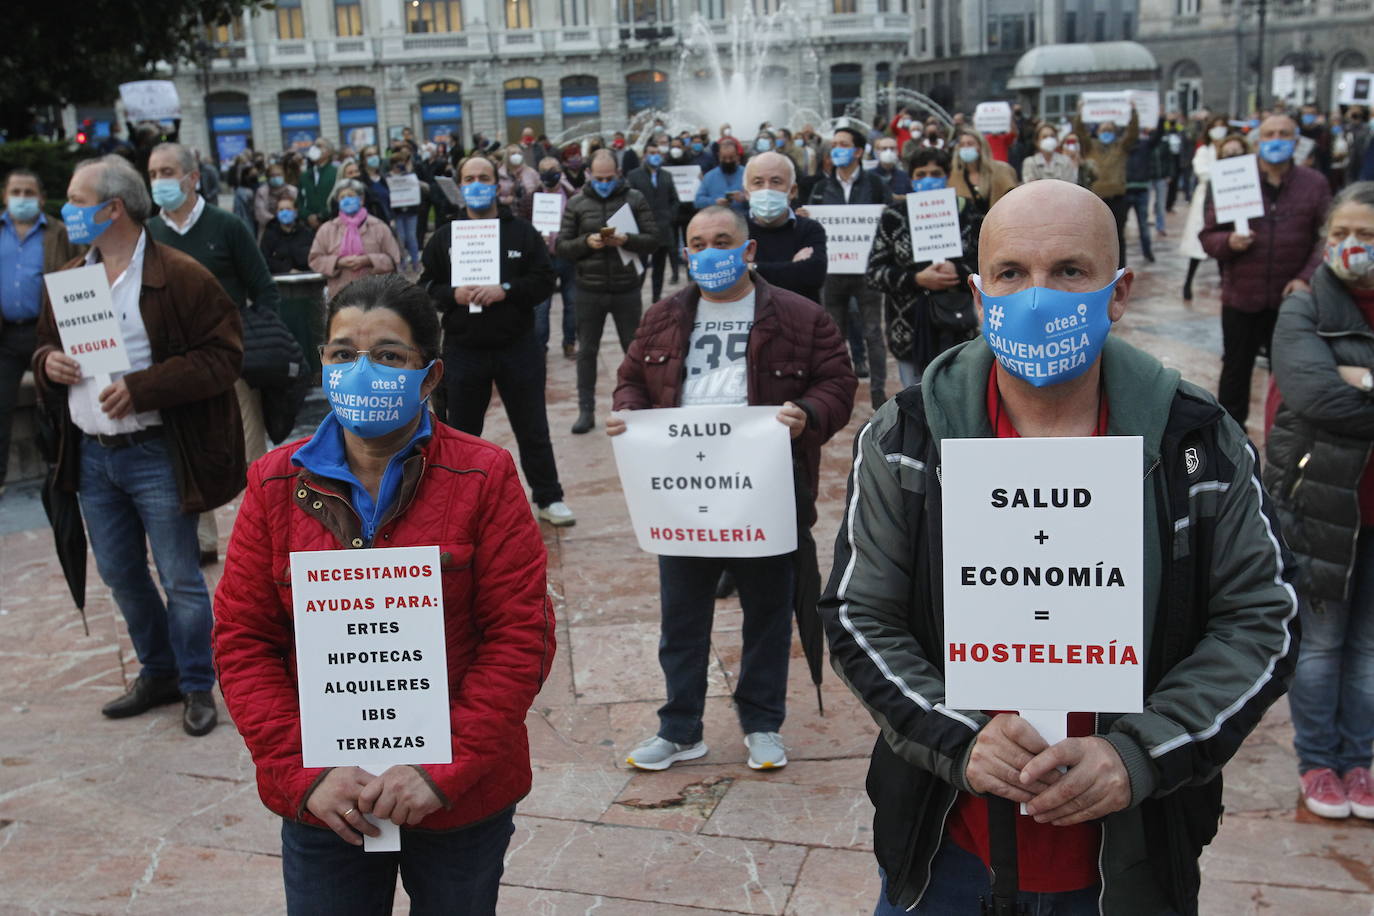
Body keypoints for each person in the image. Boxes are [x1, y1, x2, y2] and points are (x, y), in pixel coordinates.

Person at [823, 178, 1299, 915]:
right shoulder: (906, 437)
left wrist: (1139, 753)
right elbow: (860, 615)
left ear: (1118, 292)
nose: (1038, 298)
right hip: (948, 847)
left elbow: (1260, 618)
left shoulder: (1196, 441)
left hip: (1130, 857)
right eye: (1012, 274)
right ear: (980, 297)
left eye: (1070, 272)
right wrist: (961, 740)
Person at [213, 274, 552, 914]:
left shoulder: (483, 476)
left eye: (389, 357)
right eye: (342, 354)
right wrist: (304, 775)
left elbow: (520, 638)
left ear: (428, 378)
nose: (361, 372)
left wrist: (440, 771)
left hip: (460, 800)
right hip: (328, 802)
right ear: (323, 364)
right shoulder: (273, 484)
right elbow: (243, 640)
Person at [612, 205, 855, 772]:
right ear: (686, 252)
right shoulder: (663, 316)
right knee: (682, 617)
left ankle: (763, 725)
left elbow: (838, 381)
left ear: (748, 251)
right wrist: (627, 414)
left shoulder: (800, 316)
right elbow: (631, 380)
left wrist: (810, 413)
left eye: (722, 241)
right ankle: (679, 728)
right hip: (682, 492)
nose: (709, 253)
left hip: (766, 490)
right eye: (697, 243)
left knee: (768, 613)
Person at [33, 155, 245, 737]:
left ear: (113, 208)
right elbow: (46, 348)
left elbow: (224, 356)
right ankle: (159, 672)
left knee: (180, 575)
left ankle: (198, 685)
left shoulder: (179, 275)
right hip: (94, 456)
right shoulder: (74, 277)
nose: (67, 212)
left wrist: (144, 387)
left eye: (77, 201)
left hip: (157, 452)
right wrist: (48, 363)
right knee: (122, 574)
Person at [1266, 181, 1374, 821]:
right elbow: (1314, 396)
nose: (1352, 247)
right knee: (1324, 643)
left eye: (1367, 235)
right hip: (1321, 502)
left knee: (1368, 648)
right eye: (1341, 234)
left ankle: (1360, 761)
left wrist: (1360, 378)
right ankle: (1318, 762)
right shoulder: (1303, 306)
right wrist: (1343, 383)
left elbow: (1343, 397)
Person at [419, 154, 575, 527]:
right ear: (460, 183)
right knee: (460, 433)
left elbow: (543, 279)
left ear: (497, 183)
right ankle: (456, 503)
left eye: (484, 177)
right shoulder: (445, 237)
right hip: (464, 347)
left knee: (532, 426)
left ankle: (549, 497)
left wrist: (506, 289)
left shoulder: (520, 232)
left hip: (517, 344)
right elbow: (426, 286)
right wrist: (452, 295)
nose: (477, 184)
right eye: (469, 177)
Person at [145, 142, 282, 564]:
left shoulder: (226, 226)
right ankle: (203, 540)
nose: (160, 181)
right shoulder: (148, 233)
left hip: (230, 359)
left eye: (168, 171)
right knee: (186, 448)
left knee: (248, 448)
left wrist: (253, 340)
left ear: (192, 177)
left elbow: (264, 290)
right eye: (152, 174)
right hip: (173, 364)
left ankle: (261, 540)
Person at [1201, 114, 1331, 427]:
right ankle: (1230, 440)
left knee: (1288, 372)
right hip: (1242, 296)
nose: (1276, 139)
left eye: (1284, 134)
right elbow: (1208, 237)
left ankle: (1284, 434)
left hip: (1292, 299)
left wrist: (1305, 278)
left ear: (1296, 141)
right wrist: (1229, 241)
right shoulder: (1235, 179)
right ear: (1258, 141)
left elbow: (1326, 238)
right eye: (1270, 133)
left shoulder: (1314, 184)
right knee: (1235, 370)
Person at [555, 149, 659, 435]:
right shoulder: (576, 203)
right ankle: (585, 410)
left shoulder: (634, 199)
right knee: (587, 350)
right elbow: (562, 247)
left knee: (634, 351)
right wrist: (587, 242)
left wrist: (628, 239)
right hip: (589, 288)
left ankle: (642, 407)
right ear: (590, 175)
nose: (604, 182)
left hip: (626, 288)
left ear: (618, 174)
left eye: (609, 177)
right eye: (599, 178)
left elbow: (653, 239)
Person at [866, 148, 979, 386]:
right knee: (917, 403)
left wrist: (959, 272)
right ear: (911, 178)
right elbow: (874, 274)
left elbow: (987, 265)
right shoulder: (894, 217)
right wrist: (916, 279)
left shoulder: (969, 214)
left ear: (947, 176)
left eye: (935, 172)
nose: (928, 179)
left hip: (959, 326)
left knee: (961, 394)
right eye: (921, 174)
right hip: (909, 331)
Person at [0, 169, 81, 494]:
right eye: (16, 192)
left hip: (46, 332)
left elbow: (78, 271)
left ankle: (64, 469)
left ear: (42, 198)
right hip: (5, 334)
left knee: (56, 401)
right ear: (5, 196)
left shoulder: (58, 233)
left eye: (28, 192)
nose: (22, 198)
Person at [810, 125, 893, 408]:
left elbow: (890, 220)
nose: (836, 149)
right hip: (832, 274)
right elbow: (813, 226)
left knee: (872, 332)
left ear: (858, 151)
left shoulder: (876, 185)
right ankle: (837, 390)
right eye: (834, 144)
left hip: (867, 271)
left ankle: (878, 393)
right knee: (834, 335)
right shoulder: (821, 188)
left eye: (843, 144)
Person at [743, 151, 828, 305]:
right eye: (758, 182)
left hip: (800, 320)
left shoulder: (810, 229)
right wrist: (793, 268)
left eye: (776, 182)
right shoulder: (735, 229)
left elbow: (813, 276)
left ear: (793, 191)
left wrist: (752, 268)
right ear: (746, 192)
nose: (767, 189)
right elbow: (729, 278)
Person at [1074, 103, 1140, 267]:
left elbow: (1132, 134)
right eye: (1104, 130)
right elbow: (1079, 133)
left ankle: (1120, 268)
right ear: (1097, 132)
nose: (1106, 133)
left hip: (1117, 198)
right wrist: (1079, 114)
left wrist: (1133, 112)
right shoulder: (1091, 147)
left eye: (1109, 130)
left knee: (1118, 236)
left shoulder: (1120, 147)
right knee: (1094, 235)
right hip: (1096, 198)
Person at [309, 180, 402, 298]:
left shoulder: (379, 227)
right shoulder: (327, 229)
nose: (347, 200)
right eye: (342, 197)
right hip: (340, 295)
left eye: (351, 196)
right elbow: (315, 260)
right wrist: (338, 262)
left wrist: (368, 260)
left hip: (375, 295)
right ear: (338, 201)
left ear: (361, 199)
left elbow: (394, 259)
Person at [1180, 115, 1232, 301]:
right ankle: (1188, 283)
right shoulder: (1204, 150)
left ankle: (1226, 283)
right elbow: (1202, 172)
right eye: (1215, 126)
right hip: (1206, 198)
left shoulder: (1230, 149)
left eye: (1222, 126)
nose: (1219, 130)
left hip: (1227, 197)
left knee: (1224, 242)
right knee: (1199, 242)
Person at [534, 157, 579, 359]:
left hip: (568, 256)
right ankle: (540, 347)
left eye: (553, 169)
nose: (549, 173)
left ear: (560, 171)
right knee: (542, 307)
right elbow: (523, 224)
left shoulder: (572, 195)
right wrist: (536, 238)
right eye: (544, 170)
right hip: (543, 260)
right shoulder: (532, 197)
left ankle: (569, 343)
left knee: (572, 303)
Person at [627, 141, 682, 302]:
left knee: (659, 268)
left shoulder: (666, 175)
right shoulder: (634, 175)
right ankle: (635, 300)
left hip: (663, 230)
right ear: (644, 155)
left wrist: (670, 216)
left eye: (657, 152)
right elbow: (628, 201)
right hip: (642, 231)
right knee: (641, 268)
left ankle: (656, 299)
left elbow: (674, 200)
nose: (655, 155)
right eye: (651, 152)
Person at [949, 127, 1018, 217]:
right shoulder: (954, 176)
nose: (965, 148)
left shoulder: (1002, 169)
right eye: (962, 145)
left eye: (970, 144)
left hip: (1000, 223)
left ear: (981, 146)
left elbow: (1014, 199)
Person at [1124, 126, 1164, 263]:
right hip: (1124, 190)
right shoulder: (1121, 147)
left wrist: (1161, 119)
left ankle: (1147, 252)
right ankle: (1119, 258)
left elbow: (1158, 136)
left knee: (1143, 225)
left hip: (1141, 189)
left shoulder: (1144, 145)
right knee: (1119, 227)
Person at [387, 150, 426, 272]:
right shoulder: (388, 177)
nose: (399, 165)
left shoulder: (409, 176)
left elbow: (422, 187)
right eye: (396, 163)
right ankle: (402, 262)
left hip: (411, 211)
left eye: (401, 162)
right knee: (401, 237)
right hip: (397, 212)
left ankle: (415, 262)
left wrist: (409, 173)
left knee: (411, 237)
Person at [259, 195, 314, 274]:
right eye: (281, 210)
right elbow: (264, 260)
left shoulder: (306, 233)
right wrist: (286, 269)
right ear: (277, 213)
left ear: (295, 211)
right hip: (279, 281)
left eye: (288, 209)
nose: (284, 212)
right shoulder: (269, 235)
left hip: (305, 279)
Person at [297, 139, 338, 230]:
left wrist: (321, 216)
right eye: (314, 146)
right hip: (308, 227)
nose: (314, 148)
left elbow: (338, 200)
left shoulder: (336, 173)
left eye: (319, 146)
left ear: (329, 152)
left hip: (332, 224)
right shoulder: (304, 175)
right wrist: (308, 216)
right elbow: (299, 201)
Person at [694, 138, 746, 209]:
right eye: (724, 158)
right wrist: (714, 202)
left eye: (731, 158)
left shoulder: (747, 174)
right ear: (719, 156)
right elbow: (698, 201)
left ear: (737, 156)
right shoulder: (709, 176)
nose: (728, 161)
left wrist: (745, 199)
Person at [254, 162, 300, 234]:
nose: (276, 178)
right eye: (273, 175)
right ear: (268, 177)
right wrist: (277, 220)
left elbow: (298, 208)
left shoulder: (293, 190)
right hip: (268, 228)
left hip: (291, 228)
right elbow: (260, 213)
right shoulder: (261, 192)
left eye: (279, 175)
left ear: (284, 176)